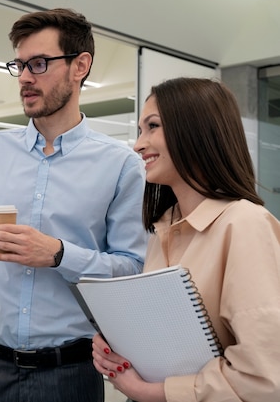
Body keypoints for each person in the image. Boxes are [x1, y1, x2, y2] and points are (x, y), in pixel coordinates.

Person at [0, 8, 147, 402]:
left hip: (69, 373)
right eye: (19, 65)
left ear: (80, 66)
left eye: (38, 63)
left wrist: (59, 254)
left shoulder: (121, 165)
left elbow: (132, 269)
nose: (24, 78)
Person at [92, 77, 280, 402]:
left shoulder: (245, 224)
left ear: (194, 129)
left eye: (153, 126)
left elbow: (264, 379)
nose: (138, 144)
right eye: (140, 130)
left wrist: (152, 392)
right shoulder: (163, 227)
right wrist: (119, 344)